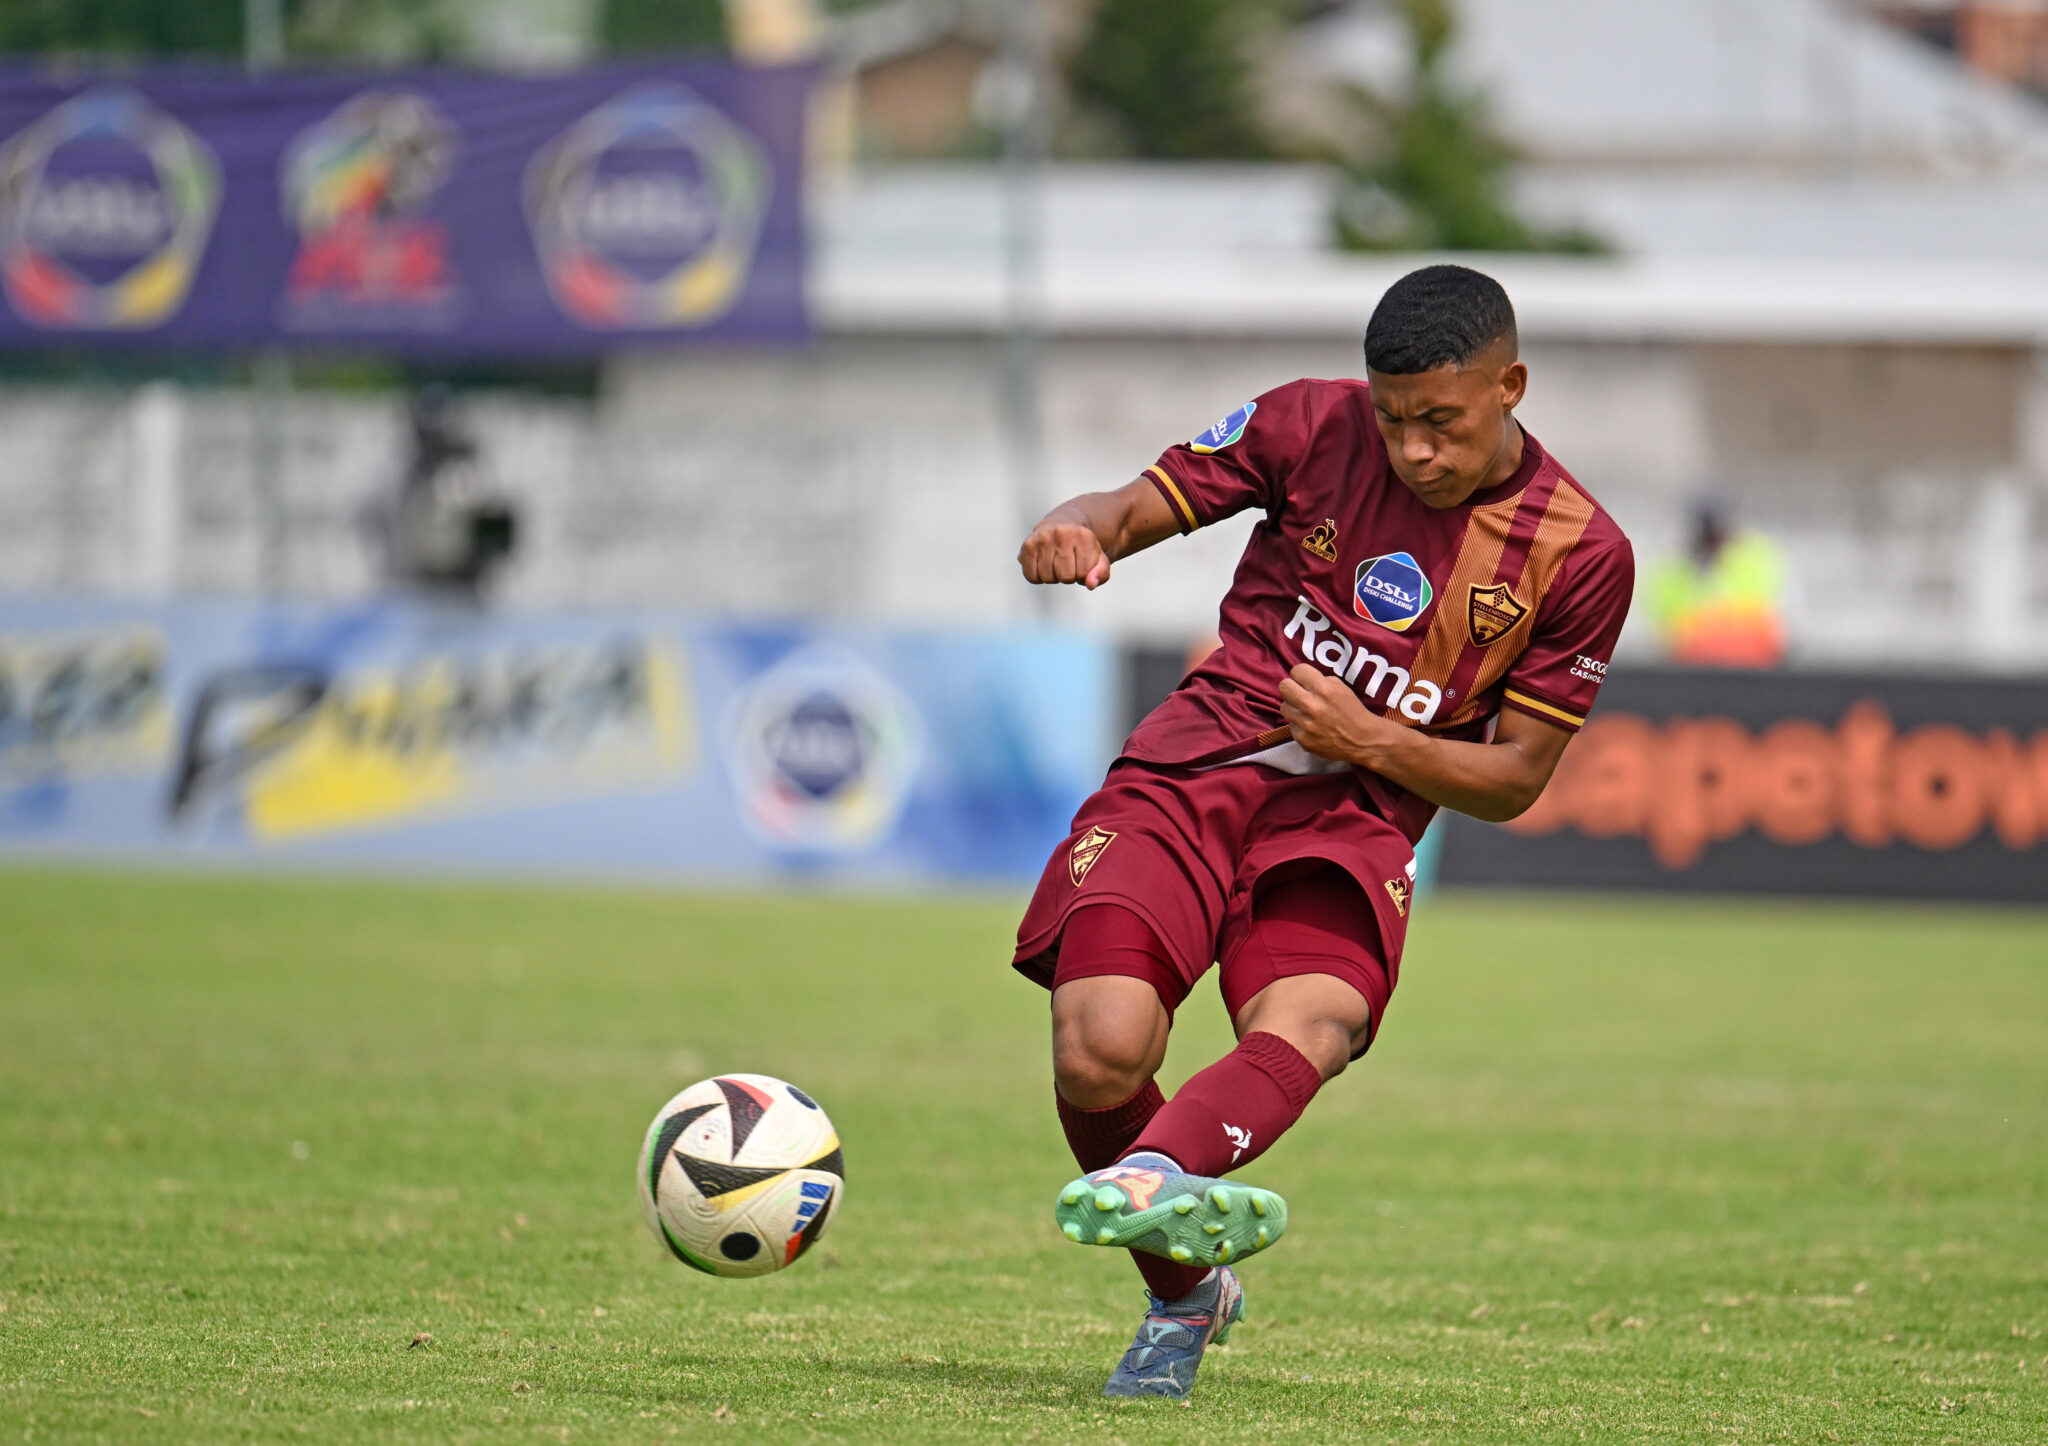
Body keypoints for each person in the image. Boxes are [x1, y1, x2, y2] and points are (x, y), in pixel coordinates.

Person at [1012, 264, 1635, 1399]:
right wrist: (1076, 522)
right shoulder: (1310, 420)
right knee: (1097, 1049)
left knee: (1319, 1018)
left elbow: (1516, 779)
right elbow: (1132, 505)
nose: (1413, 452)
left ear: (1509, 386)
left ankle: (1163, 1171)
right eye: (1394, 422)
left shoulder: (1580, 553)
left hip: (1351, 816)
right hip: (1198, 766)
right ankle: (1184, 1283)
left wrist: (1375, 742)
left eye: (1441, 423)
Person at [1647, 497, 1789, 667]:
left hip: (1754, 671)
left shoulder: (1759, 560)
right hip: (1693, 673)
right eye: (1706, 535)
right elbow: (1664, 639)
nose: (1711, 542)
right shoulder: (1672, 573)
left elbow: (1779, 632)